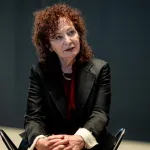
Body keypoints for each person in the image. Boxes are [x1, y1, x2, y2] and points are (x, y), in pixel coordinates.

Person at [20, 3, 111, 150]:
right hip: (51, 141)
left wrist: (81, 138)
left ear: (79, 34)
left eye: (71, 32)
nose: (68, 41)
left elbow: (100, 114)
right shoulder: (39, 71)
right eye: (58, 37)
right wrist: (40, 140)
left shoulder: (101, 68)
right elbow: (33, 116)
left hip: (87, 139)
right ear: (49, 45)